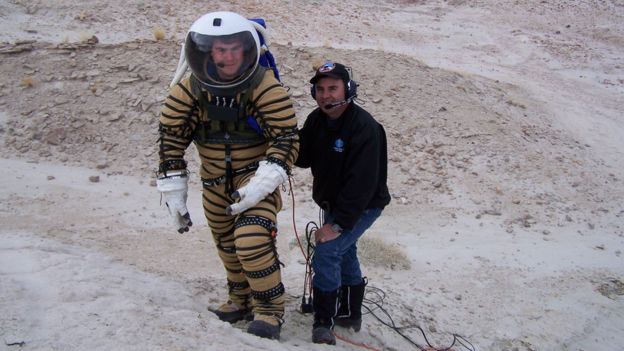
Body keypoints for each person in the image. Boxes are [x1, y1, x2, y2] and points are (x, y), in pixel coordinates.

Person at [156, 11, 299, 340]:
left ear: (246, 50)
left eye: (234, 48)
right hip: (214, 186)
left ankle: (269, 310)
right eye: (221, 50)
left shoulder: (264, 86)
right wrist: (174, 195)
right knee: (227, 247)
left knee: (251, 241)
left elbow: (286, 139)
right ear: (208, 52)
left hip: (256, 184)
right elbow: (171, 141)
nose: (228, 56)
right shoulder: (190, 90)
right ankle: (240, 299)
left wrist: (260, 186)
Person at [295, 61, 391, 345]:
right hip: (334, 202)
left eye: (333, 88)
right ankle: (350, 313)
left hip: (363, 205)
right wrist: (283, 138)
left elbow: (361, 186)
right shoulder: (316, 120)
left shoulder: (365, 128)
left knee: (327, 250)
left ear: (348, 89)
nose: (327, 95)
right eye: (321, 89)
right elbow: (304, 157)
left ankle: (324, 321)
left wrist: (336, 225)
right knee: (344, 252)